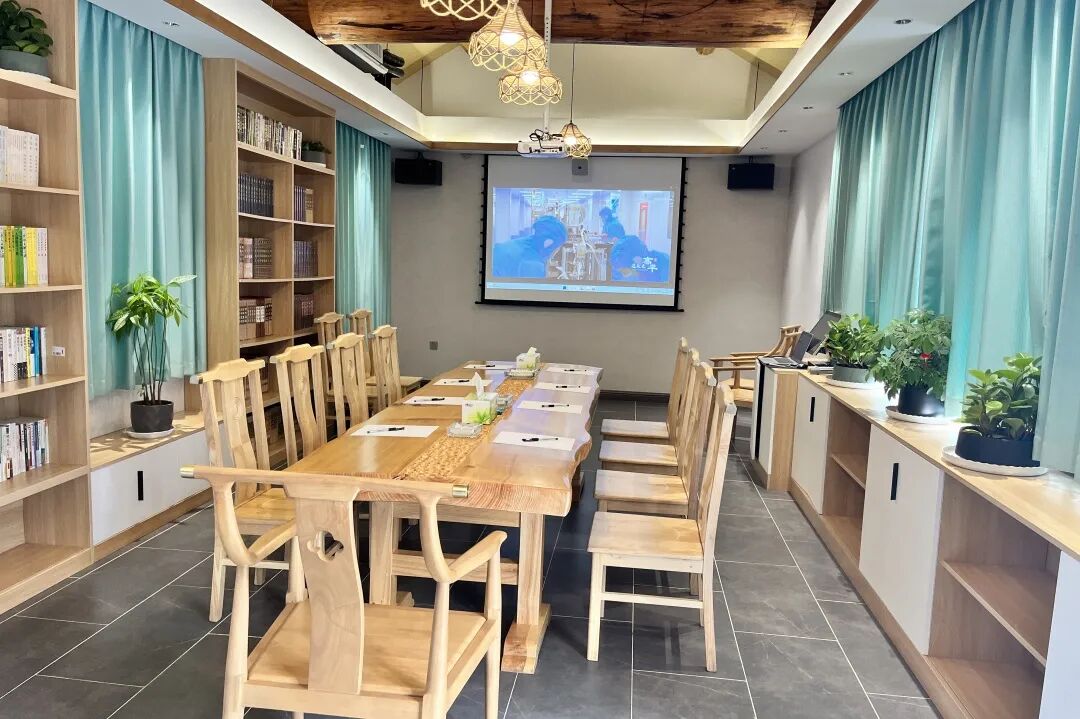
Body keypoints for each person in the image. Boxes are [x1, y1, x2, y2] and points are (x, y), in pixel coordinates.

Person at [601, 206, 671, 282]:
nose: (622, 275)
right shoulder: (639, 265)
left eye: (624, 272)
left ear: (636, 261)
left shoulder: (664, 266)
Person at [491, 215, 568, 278]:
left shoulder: (524, 242)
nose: (557, 251)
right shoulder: (533, 265)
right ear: (551, 245)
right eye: (558, 247)